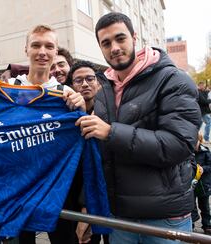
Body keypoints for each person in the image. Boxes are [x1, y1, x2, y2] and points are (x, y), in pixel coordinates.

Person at [75, 12, 201, 243]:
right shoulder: (104, 89)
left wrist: (111, 132)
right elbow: (100, 157)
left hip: (164, 218)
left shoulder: (173, 79)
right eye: (106, 43)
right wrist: (88, 207)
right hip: (119, 219)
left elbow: (179, 145)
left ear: (135, 38)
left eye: (120, 38)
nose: (114, 47)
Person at [0, 24, 86, 244]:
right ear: (26, 49)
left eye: (49, 46)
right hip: (18, 189)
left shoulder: (66, 94)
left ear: (56, 51)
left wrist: (81, 109)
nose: (42, 51)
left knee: (63, 239)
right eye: (36, 45)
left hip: (55, 188)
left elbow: (80, 137)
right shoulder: (4, 89)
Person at [66, 60, 109, 244]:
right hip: (73, 198)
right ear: (71, 86)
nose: (84, 84)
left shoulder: (109, 114)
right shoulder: (66, 117)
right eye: (78, 80)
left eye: (89, 79)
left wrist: (87, 209)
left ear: (98, 83)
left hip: (104, 197)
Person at [191, 133, 211, 235]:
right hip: (191, 185)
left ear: (200, 141)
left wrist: (204, 169)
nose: (194, 143)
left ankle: (207, 225)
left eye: (196, 141)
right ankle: (192, 224)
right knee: (191, 206)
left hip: (204, 185)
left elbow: (210, 165)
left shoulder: (206, 152)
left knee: (205, 206)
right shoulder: (188, 153)